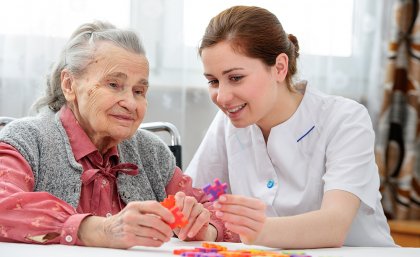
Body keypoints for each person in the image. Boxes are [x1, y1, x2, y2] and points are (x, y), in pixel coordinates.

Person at [0, 21, 234, 249]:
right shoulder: (26, 140)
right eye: (113, 84)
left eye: (139, 91)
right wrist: (101, 229)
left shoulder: (152, 153)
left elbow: (218, 212)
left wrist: (205, 227)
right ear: (69, 85)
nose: (131, 103)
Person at [186, 5, 396, 248]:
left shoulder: (345, 119)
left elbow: (334, 226)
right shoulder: (228, 121)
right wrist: (196, 222)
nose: (222, 97)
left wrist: (255, 229)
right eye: (213, 81)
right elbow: (196, 198)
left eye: (235, 78)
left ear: (279, 67)